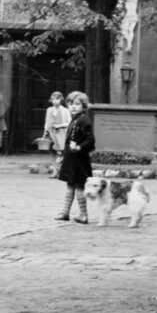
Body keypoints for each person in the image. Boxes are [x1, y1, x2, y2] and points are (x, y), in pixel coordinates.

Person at [54, 93, 94, 223]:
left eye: (77, 104)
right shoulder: (74, 119)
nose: (73, 107)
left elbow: (90, 140)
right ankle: (65, 212)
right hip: (71, 158)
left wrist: (79, 147)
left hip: (79, 159)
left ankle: (84, 214)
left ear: (84, 106)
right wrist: (64, 155)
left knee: (80, 186)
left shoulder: (84, 120)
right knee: (70, 184)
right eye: (71, 104)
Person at [43, 91, 71, 178]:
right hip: (51, 133)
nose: (55, 101)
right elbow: (47, 122)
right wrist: (45, 131)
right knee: (52, 152)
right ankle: (55, 171)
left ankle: (61, 171)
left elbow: (69, 122)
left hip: (61, 133)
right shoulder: (49, 110)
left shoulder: (65, 110)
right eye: (53, 99)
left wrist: (60, 125)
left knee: (61, 153)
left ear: (61, 100)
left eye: (57, 99)